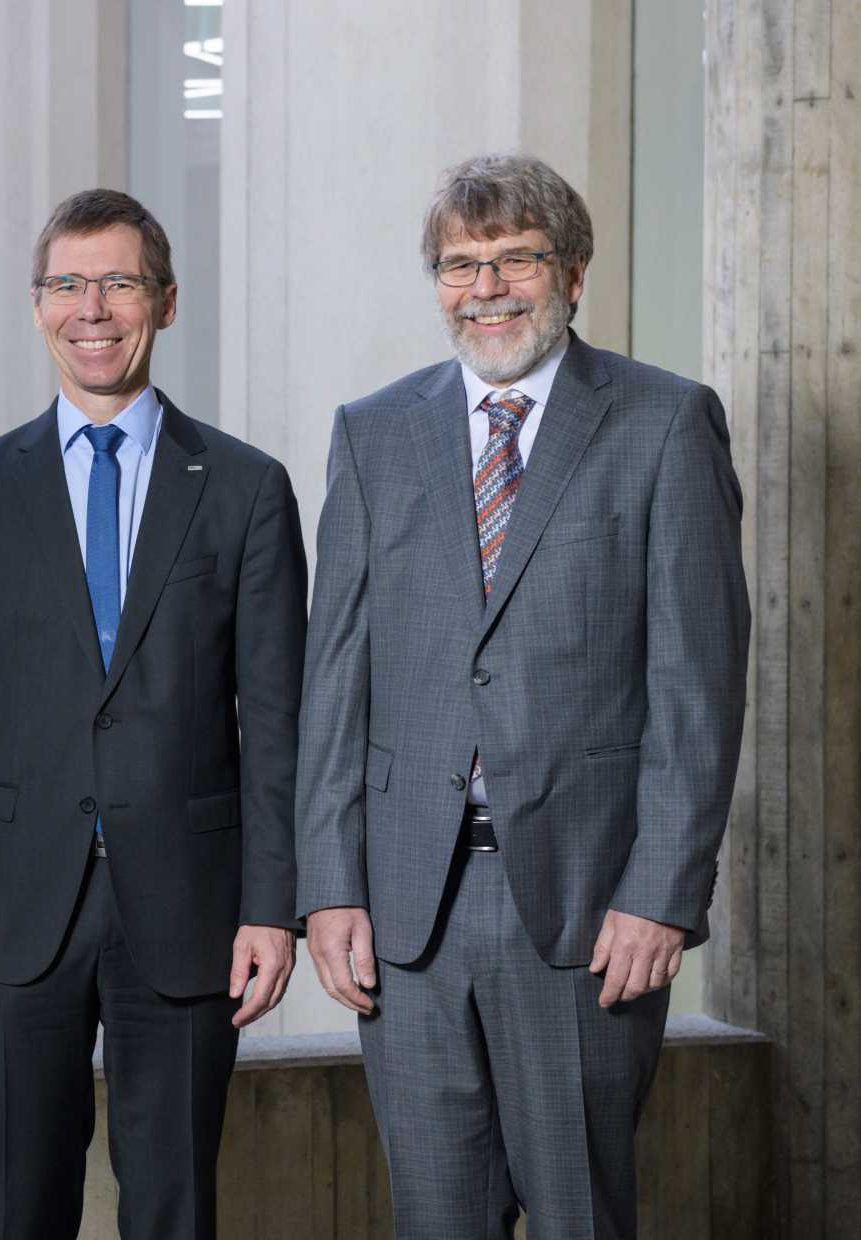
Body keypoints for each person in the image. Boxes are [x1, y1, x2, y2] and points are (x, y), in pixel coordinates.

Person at [296, 153, 751, 1238]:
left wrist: (663, 891)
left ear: (574, 271)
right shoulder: (374, 431)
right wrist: (329, 885)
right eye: (461, 264)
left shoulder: (663, 422)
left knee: (578, 1217)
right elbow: (335, 677)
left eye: (516, 259)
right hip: (409, 911)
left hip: (587, 909)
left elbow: (698, 682)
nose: (487, 286)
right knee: (434, 1218)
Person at [0, 188, 308, 1239]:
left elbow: (274, 718)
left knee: (173, 1206)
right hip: (10, 914)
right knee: (15, 1205)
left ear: (165, 303)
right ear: (38, 306)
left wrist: (273, 904)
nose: (94, 308)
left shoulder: (245, 488)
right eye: (68, 284)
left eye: (119, 282)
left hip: (188, 906)